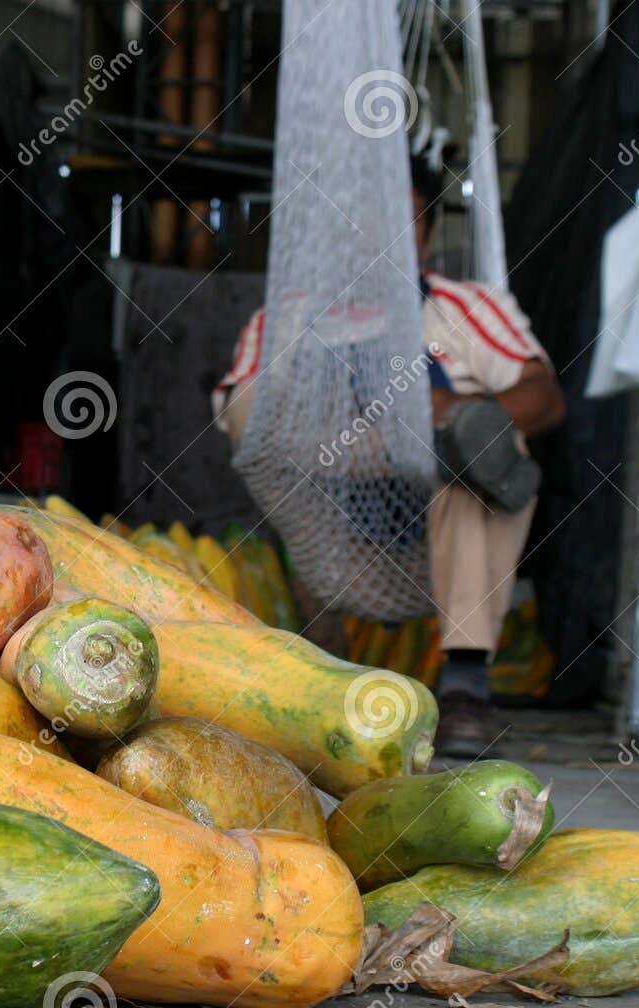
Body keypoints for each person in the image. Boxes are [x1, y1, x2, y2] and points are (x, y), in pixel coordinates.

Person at [212, 158, 566, 757]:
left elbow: (545, 399)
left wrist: (452, 412)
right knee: (252, 398)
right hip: (333, 530)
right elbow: (240, 415)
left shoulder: (469, 308)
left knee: (488, 444)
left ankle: (463, 686)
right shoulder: (288, 317)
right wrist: (380, 417)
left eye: (406, 221)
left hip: (439, 542)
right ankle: (425, 433)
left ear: (427, 230)